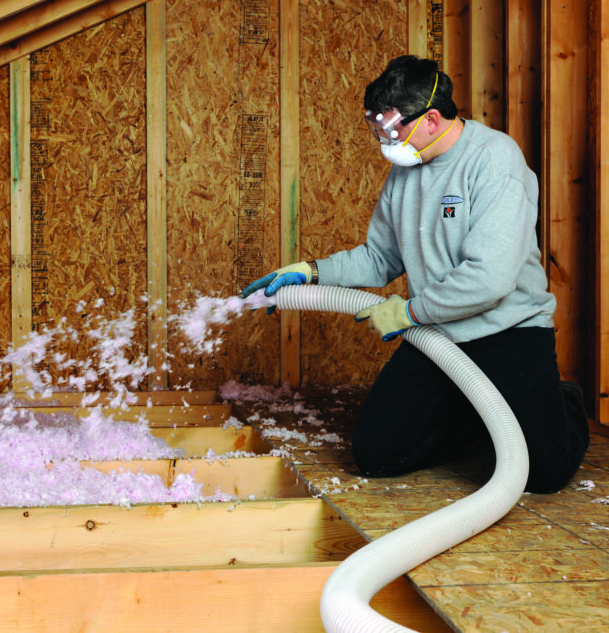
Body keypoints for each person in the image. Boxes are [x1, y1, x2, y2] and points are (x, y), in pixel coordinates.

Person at [241, 55, 588, 494]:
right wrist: (310, 272)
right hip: (438, 335)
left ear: (432, 119)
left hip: (507, 332)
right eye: (377, 128)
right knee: (378, 455)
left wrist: (410, 312)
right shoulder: (406, 172)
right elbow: (378, 258)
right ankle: (479, 412)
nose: (384, 139)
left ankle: (564, 402)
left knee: (544, 475)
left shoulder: (495, 163)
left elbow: (490, 279)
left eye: (392, 128)